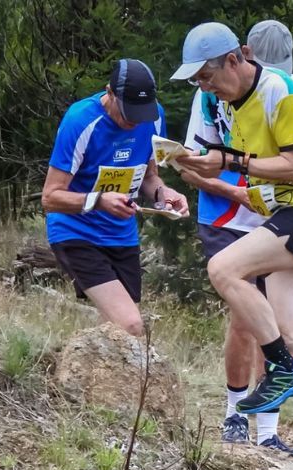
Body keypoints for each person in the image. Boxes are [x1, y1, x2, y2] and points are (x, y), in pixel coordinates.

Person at [172, 22, 293, 466]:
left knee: (223, 269)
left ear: (234, 60)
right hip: (288, 210)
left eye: (206, 76)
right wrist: (194, 162)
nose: (203, 87)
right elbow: (232, 165)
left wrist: (227, 161)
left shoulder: (284, 89)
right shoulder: (224, 98)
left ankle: (279, 367)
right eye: (196, 81)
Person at [41, 59, 188, 336]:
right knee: (130, 325)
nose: (133, 122)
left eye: (140, 114)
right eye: (127, 113)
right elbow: (50, 197)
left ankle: (86, 376)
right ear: (110, 93)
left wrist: (164, 194)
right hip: (76, 231)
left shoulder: (154, 117)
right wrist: (99, 200)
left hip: (121, 235)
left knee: (115, 332)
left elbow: (149, 175)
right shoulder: (81, 120)